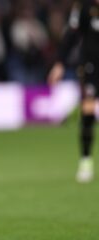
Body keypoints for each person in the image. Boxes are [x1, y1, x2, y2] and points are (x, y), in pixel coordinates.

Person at [47, 0, 99, 183]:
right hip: (92, 67)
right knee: (88, 111)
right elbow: (71, 35)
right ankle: (85, 160)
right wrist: (60, 63)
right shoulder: (85, 7)